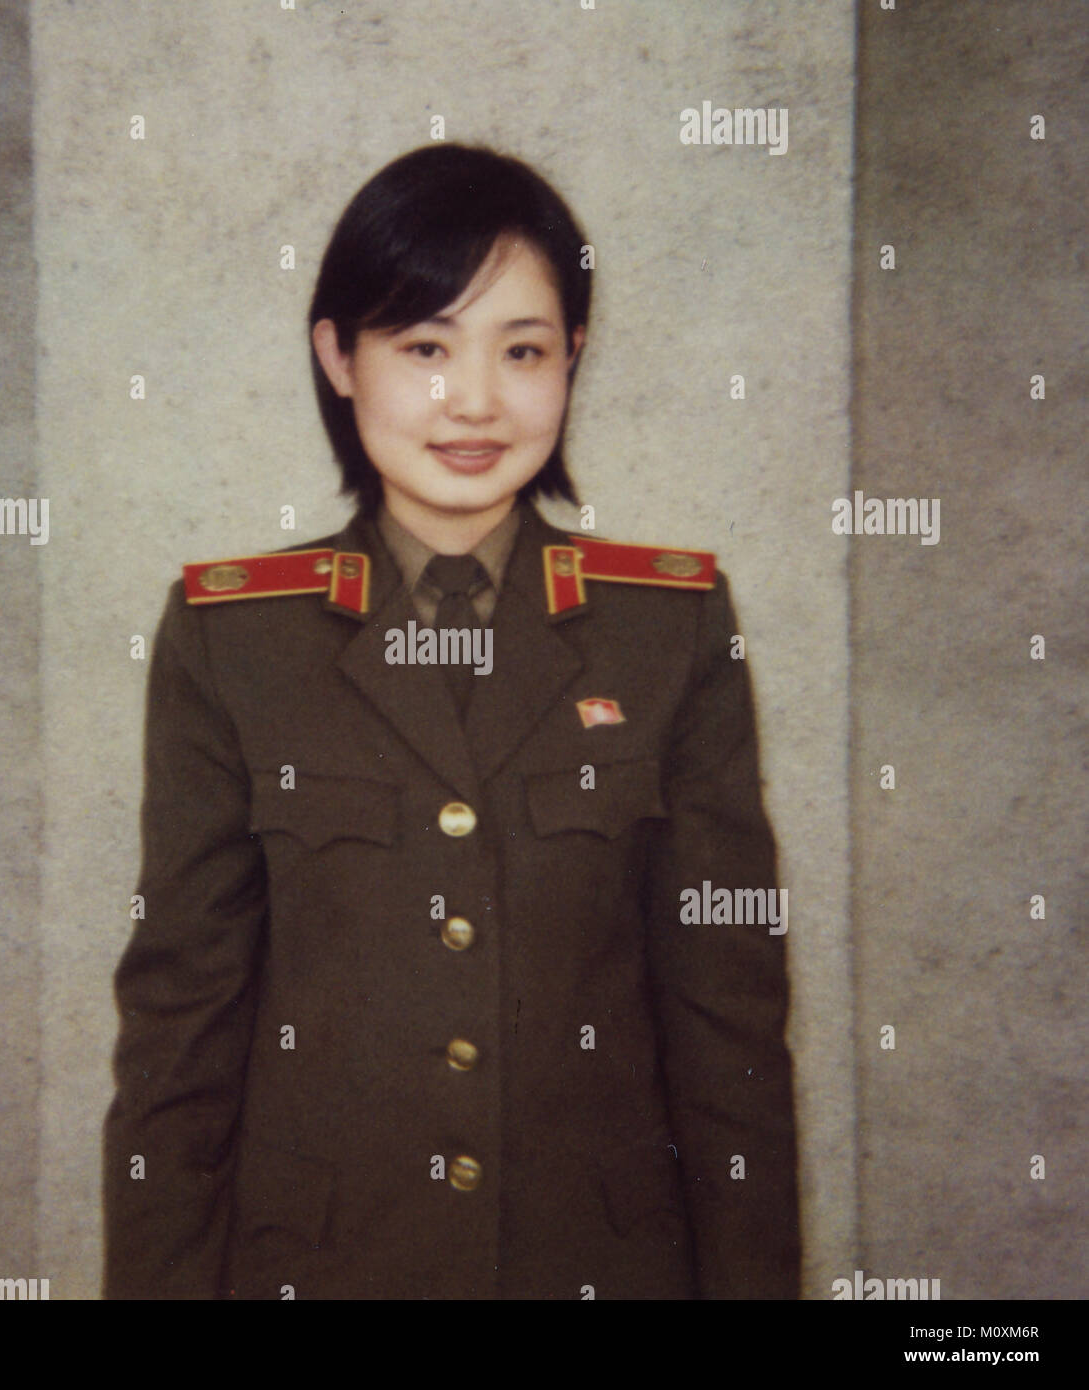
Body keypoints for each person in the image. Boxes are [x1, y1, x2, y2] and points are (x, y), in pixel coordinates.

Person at [102, 143, 800, 1300]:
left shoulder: (667, 627)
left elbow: (728, 1025)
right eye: (424, 347)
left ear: (572, 358)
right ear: (339, 356)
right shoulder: (233, 639)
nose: (474, 400)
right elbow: (181, 1030)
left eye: (521, 350)